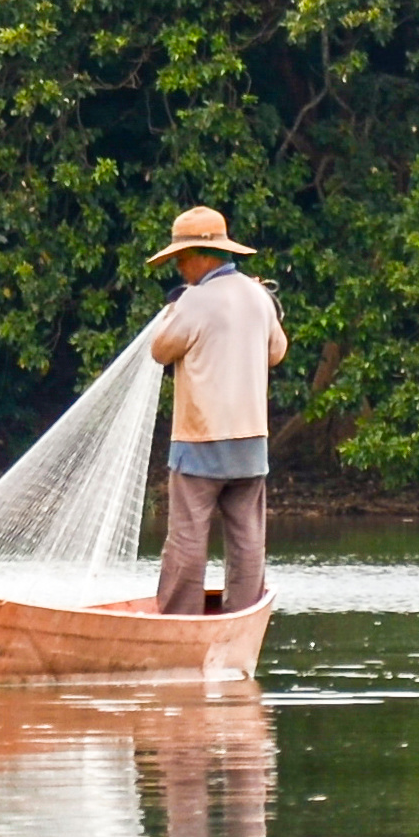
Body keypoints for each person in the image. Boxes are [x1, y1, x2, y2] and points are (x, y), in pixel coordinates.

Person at [139, 206, 286, 615]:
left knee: (186, 537)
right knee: (247, 539)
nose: (181, 270)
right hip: (251, 440)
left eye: (182, 260)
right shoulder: (259, 296)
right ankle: (242, 616)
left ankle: (178, 623)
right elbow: (277, 352)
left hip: (200, 438)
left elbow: (160, 349)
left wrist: (178, 307)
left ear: (204, 256)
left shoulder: (195, 300)